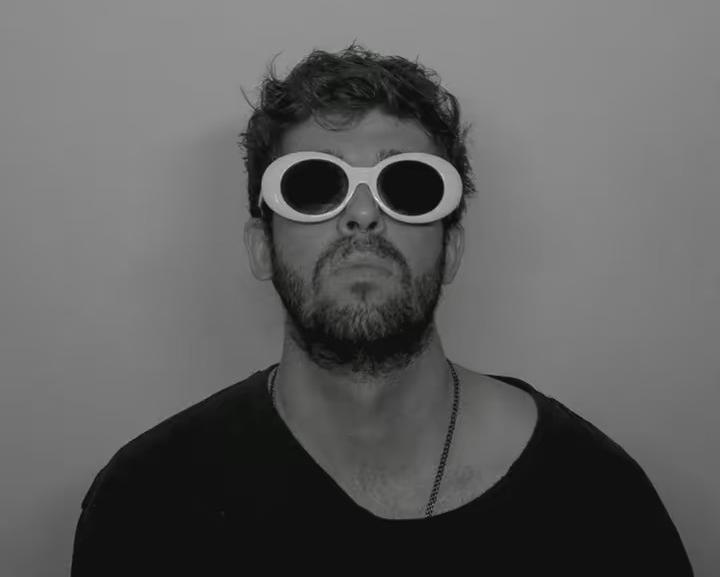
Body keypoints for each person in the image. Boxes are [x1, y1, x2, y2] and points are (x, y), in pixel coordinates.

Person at [70, 43, 694, 575]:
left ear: (452, 249)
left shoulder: (599, 498)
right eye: (314, 185)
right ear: (261, 248)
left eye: (410, 187)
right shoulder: (148, 502)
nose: (363, 215)